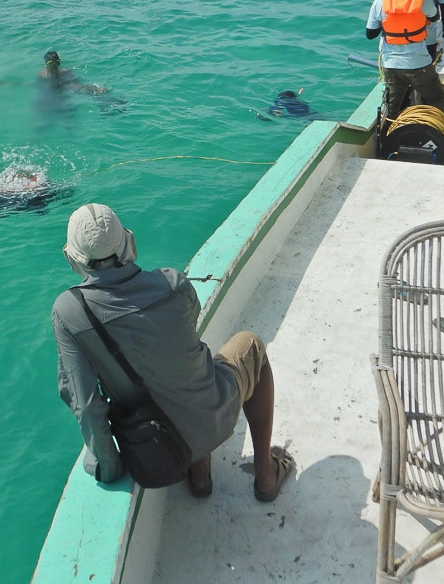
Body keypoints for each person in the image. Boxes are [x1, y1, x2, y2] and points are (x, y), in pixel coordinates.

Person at [52, 203, 294, 501]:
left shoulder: (69, 312)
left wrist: (110, 466)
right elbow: (183, 340)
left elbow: (86, 404)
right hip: (216, 415)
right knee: (251, 345)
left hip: (157, 442)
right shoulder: (174, 284)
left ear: (72, 258)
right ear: (129, 242)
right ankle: (266, 475)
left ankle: (201, 476)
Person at [367, 0, 444, 117]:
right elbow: (435, 16)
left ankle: (388, 137)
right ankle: (443, 134)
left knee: (393, 109)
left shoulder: (379, 3)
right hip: (419, 63)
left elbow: (370, 34)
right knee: (436, 99)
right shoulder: (424, 0)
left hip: (392, 65)